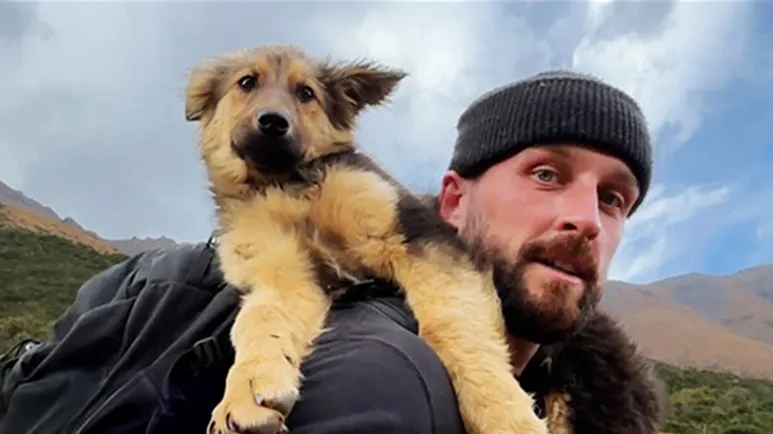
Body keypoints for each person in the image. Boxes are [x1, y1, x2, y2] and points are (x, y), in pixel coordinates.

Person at [0, 70, 663, 434]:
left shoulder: (585, 401)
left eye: (613, 198)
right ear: (454, 200)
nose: (582, 218)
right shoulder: (379, 374)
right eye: (545, 175)